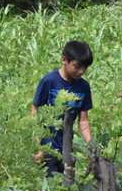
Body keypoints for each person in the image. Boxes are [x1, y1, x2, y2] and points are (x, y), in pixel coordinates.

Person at [30, 40, 94, 175]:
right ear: (64, 60)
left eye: (85, 68)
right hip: (47, 148)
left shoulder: (83, 87)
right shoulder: (49, 81)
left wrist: (91, 146)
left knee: (67, 185)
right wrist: (37, 147)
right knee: (51, 187)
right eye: (77, 67)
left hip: (67, 148)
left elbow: (83, 121)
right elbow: (35, 112)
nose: (81, 71)